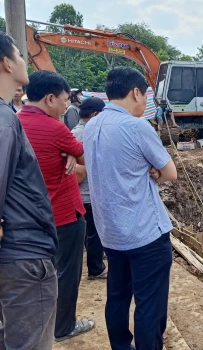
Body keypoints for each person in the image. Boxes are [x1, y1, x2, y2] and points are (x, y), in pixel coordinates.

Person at [83, 66, 177, 350]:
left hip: (110, 232)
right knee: (149, 304)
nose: (146, 102)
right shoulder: (137, 127)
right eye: (146, 95)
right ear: (136, 92)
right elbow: (170, 172)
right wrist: (154, 171)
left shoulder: (91, 126)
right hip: (145, 233)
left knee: (118, 296)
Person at [17, 70, 94, 342]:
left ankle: (42, 324)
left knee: (41, 276)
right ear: (50, 98)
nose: (66, 106)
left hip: (30, 218)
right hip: (64, 214)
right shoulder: (55, 128)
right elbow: (89, 159)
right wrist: (73, 158)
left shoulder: (15, 122)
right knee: (68, 273)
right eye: (64, 100)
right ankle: (64, 326)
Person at [0, 32, 58, 350]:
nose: (25, 61)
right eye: (20, 56)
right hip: (22, 257)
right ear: (6, 64)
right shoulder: (4, 122)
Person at [71, 97, 108, 280]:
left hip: (76, 193)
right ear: (94, 114)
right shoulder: (91, 133)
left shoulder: (72, 132)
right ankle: (96, 268)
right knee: (95, 232)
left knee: (86, 232)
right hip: (90, 192)